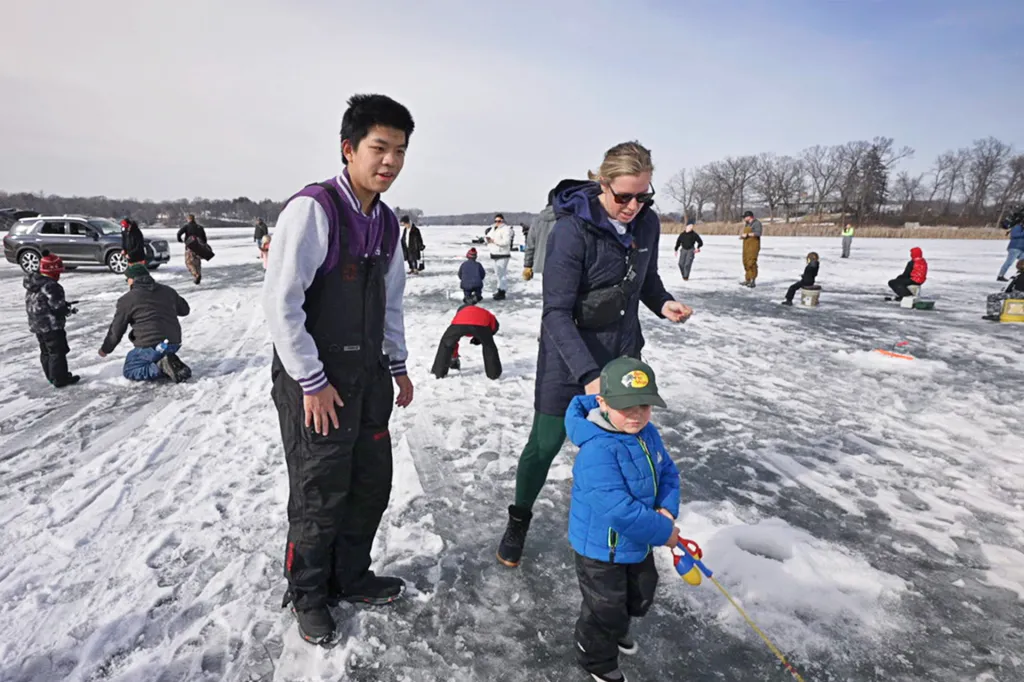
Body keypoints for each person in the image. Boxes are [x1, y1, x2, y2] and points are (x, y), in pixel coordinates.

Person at [262, 93, 415, 647]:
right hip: (317, 384)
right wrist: (311, 379)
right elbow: (282, 304)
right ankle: (307, 594)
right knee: (319, 493)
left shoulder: (388, 222)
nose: (390, 162)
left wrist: (396, 366)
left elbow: (390, 303)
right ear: (349, 149)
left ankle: (349, 576)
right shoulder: (315, 210)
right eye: (379, 148)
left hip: (368, 378)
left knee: (369, 485)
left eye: (399, 151)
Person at [496, 140, 693, 569]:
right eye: (623, 196)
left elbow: (647, 279)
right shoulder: (572, 229)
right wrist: (587, 375)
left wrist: (663, 304)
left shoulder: (647, 225)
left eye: (644, 196)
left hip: (622, 359)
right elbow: (556, 314)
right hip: (570, 359)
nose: (633, 206)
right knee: (544, 445)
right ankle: (519, 518)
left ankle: (622, 531)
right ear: (602, 184)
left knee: (625, 450)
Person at [566, 357, 680, 682]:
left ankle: (615, 627)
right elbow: (617, 508)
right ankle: (596, 659)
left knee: (642, 593)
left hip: (638, 541)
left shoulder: (648, 433)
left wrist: (668, 509)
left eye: (644, 406)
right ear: (602, 403)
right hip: (601, 551)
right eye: (625, 406)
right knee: (605, 607)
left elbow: (668, 472)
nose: (636, 414)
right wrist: (664, 531)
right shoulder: (597, 450)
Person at [99, 264, 192, 382]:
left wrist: (105, 349)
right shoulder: (168, 291)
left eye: (127, 279)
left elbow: (116, 330)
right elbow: (185, 310)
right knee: (157, 355)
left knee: (130, 369)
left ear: (132, 279)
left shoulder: (127, 300)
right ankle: (171, 364)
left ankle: (161, 367)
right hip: (174, 343)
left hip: (150, 346)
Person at [25, 250, 80, 387]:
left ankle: (51, 376)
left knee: (46, 351)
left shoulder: (33, 283)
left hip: (37, 324)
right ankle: (60, 379)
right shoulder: (52, 286)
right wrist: (67, 310)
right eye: (58, 272)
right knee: (57, 351)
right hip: (51, 325)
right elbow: (57, 307)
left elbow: (41, 302)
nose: (59, 275)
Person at [524, 180, 585, 281]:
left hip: (543, 265)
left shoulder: (537, 220)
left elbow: (530, 246)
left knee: (549, 293)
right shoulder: (568, 218)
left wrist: (527, 265)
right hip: (564, 265)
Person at [430, 304, 501, 379]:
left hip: (459, 324)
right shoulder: (485, 312)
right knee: (489, 347)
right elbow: (494, 327)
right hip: (481, 325)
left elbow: (452, 342)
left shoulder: (460, 314)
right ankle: (493, 374)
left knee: (446, 344)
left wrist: (454, 356)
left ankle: (438, 373)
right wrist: (482, 338)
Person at [486, 213, 512, 300]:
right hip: (494, 254)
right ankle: (499, 289)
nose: (497, 222)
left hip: (503, 254)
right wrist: (487, 240)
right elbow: (488, 237)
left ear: (502, 221)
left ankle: (502, 291)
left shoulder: (506, 229)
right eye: (496, 221)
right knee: (497, 274)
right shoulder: (493, 228)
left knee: (502, 274)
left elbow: (506, 242)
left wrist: (494, 241)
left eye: (499, 221)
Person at [176, 214, 208, 284]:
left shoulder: (187, 226)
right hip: (199, 248)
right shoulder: (200, 227)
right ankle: (198, 275)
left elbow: (178, 234)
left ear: (188, 219)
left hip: (190, 248)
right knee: (197, 263)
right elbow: (205, 239)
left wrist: (180, 240)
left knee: (189, 262)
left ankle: (196, 275)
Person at [739, 210, 762, 287]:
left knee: (751, 262)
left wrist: (748, 234)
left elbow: (758, 233)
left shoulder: (757, 223)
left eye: (745, 217)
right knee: (745, 261)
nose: (744, 218)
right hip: (746, 245)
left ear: (749, 217)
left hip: (753, 245)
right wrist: (743, 236)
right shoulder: (747, 224)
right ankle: (747, 279)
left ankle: (753, 280)